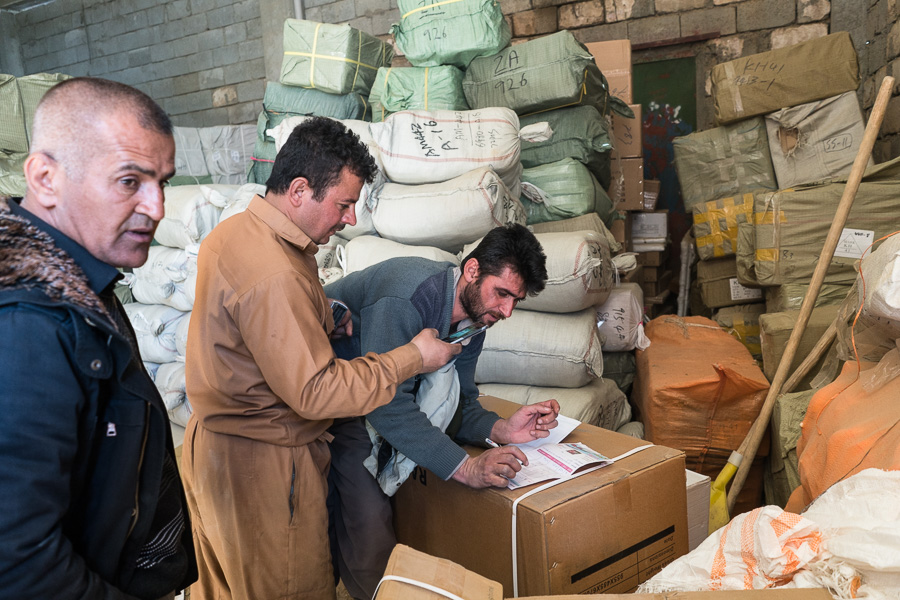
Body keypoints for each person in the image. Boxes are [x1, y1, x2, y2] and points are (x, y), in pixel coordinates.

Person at [182, 116, 461, 600]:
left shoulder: (239, 235)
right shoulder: (276, 274)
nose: (350, 219)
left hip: (217, 446)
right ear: (298, 190)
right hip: (265, 467)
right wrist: (411, 357)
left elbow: (257, 325)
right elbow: (316, 390)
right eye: (344, 204)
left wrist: (321, 313)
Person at [0, 77, 196, 599]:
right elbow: (21, 562)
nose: (156, 208)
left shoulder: (84, 284)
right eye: (130, 182)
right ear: (45, 178)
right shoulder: (29, 325)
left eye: (163, 183)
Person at [325, 224, 560, 600]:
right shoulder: (407, 296)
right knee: (370, 526)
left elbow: (462, 403)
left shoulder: (475, 322)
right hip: (337, 401)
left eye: (516, 300)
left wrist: (501, 429)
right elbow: (383, 404)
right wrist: (464, 468)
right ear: (471, 271)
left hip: (376, 400)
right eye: (502, 294)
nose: (507, 311)